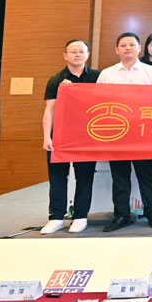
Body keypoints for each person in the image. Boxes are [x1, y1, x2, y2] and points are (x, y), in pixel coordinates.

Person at [97, 32, 152, 231]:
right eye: (123, 45)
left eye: (131, 45)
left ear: (139, 48)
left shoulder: (150, 72)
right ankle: (121, 215)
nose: (127, 48)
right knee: (119, 177)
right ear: (116, 50)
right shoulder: (107, 74)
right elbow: (98, 101)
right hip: (117, 132)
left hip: (143, 133)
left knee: (146, 175)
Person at [41, 39, 100, 234]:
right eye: (73, 51)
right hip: (60, 135)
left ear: (87, 55)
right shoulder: (56, 79)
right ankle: (56, 217)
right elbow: (49, 110)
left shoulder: (97, 77)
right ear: (65, 55)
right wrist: (46, 137)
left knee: (84, 177)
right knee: (57, 177)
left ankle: (80, 216)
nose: (77, 54)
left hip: (86, 135)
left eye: (81, 51)